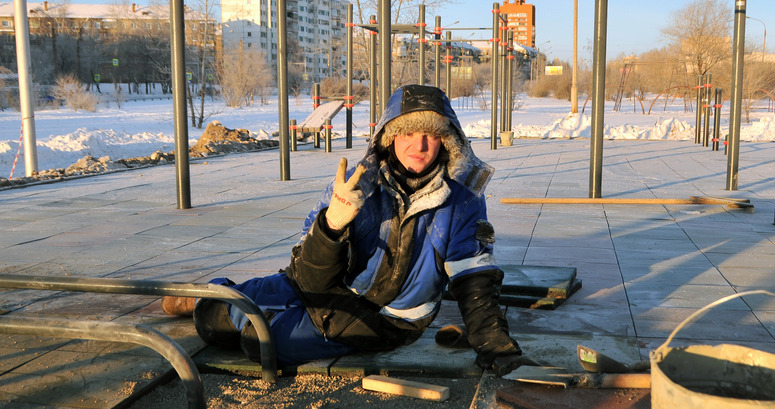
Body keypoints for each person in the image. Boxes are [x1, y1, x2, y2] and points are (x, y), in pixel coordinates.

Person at [163, 84, 533, 375]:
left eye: (431, 135)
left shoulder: (461, 201)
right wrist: (332, 225)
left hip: (384, 318)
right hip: (320, 285)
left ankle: (252, 310)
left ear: (446, 140)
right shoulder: (356, 185)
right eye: (408, 133)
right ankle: (218, 297)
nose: (419, 145)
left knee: (257, 341)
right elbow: (308, 274)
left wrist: (495, 346)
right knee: (210, 318)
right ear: (390, 136)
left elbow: (474, 280)